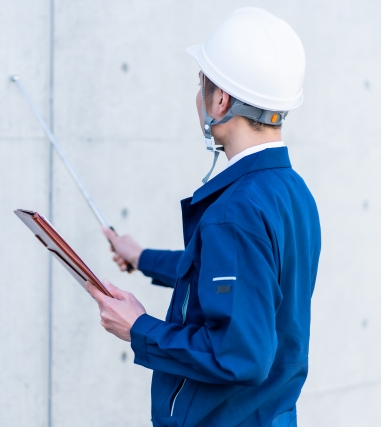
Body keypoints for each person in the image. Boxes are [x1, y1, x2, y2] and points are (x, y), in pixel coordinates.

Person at [85, 7, 321, 427]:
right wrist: (141, 257)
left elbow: (240, 356)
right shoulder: (292, 192)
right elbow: (236, 276)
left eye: (201, 84)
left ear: (221, 100)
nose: (198, 97)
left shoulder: (235, 212)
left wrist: (139, 328)